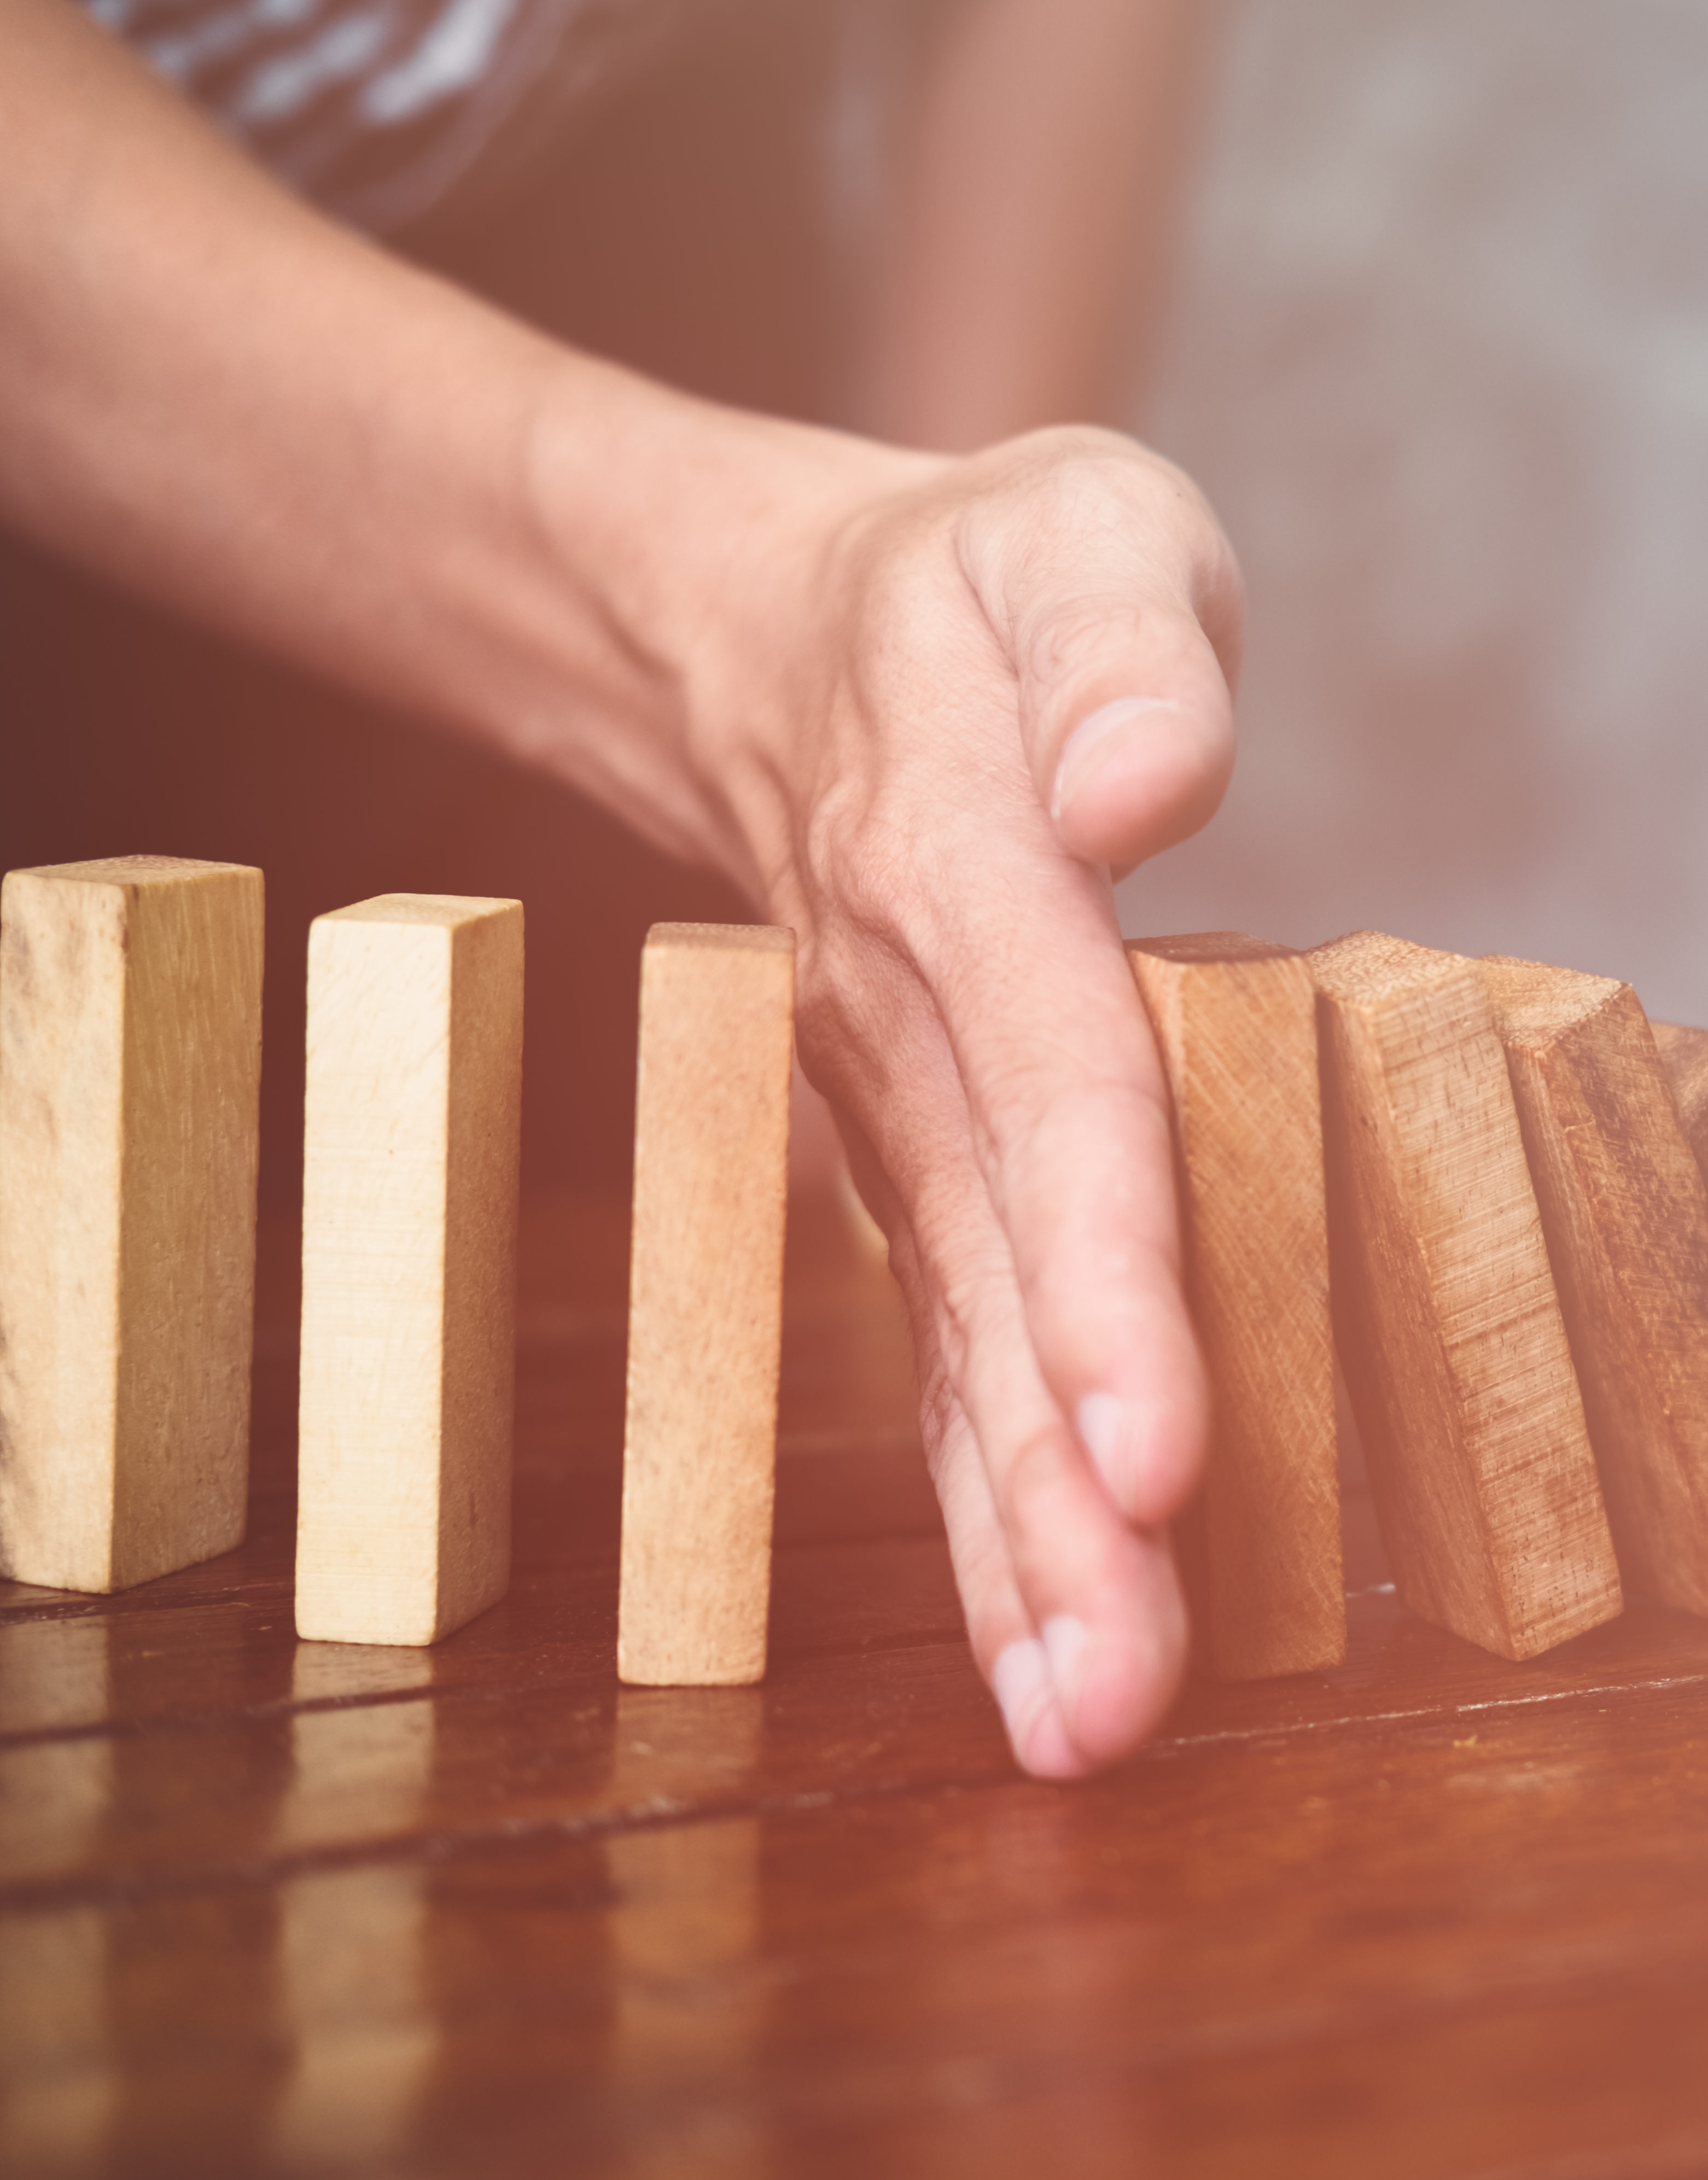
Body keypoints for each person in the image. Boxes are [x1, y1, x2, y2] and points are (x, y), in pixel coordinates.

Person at [0, 0, 1234, 1778]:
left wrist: (953, 623)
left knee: (551, 1647)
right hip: (97, 357)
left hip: (663, 300)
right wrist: (759, 599)